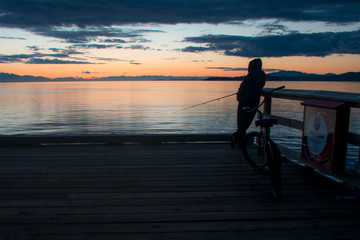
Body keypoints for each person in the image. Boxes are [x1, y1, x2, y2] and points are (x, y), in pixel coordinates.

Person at [232, 58, 266, 146]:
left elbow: (244, 86)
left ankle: (239, 139)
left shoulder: (251, 74)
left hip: (245, 101)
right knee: (247, 121)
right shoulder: (262, 75)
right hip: (255, 101)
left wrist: (239, 95)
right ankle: (239, 138)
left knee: (241, 121)